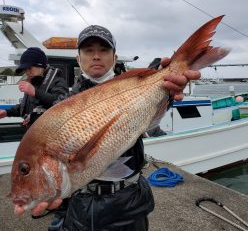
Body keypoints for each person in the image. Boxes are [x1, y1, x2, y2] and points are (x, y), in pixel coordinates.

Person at [14, 26, 200, 231]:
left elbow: (151, 116)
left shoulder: (134, 86)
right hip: (82, 205)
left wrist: (170, 92)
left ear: (115, 57)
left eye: (103, 50)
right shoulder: (64, 103)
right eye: (88, 50)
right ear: (78, 59)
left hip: (129, 201)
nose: (95, 56)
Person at [0, 47, 69, 128]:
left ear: (40, 66)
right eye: (25, 69)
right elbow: (26, 108)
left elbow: (63, 104)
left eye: (29, 68)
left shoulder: (57, 80)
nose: (27, 72)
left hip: (51, 135)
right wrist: (6, 112)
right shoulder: (34, 81)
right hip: (34, 133)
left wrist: (35, 92)